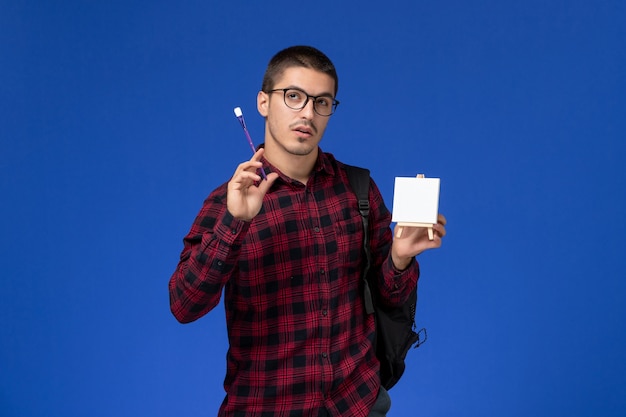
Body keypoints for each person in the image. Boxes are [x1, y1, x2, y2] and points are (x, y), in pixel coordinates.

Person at [169, 45, 446, 417]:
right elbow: (184, 306)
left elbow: (388, 297)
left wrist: (399, 259)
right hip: (266, 408)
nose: (307, 113)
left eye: (322, 102)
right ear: (263, 102)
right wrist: (236, 222)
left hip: (357, 405)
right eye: (293, 97)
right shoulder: (228, 202)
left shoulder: (357, 188)